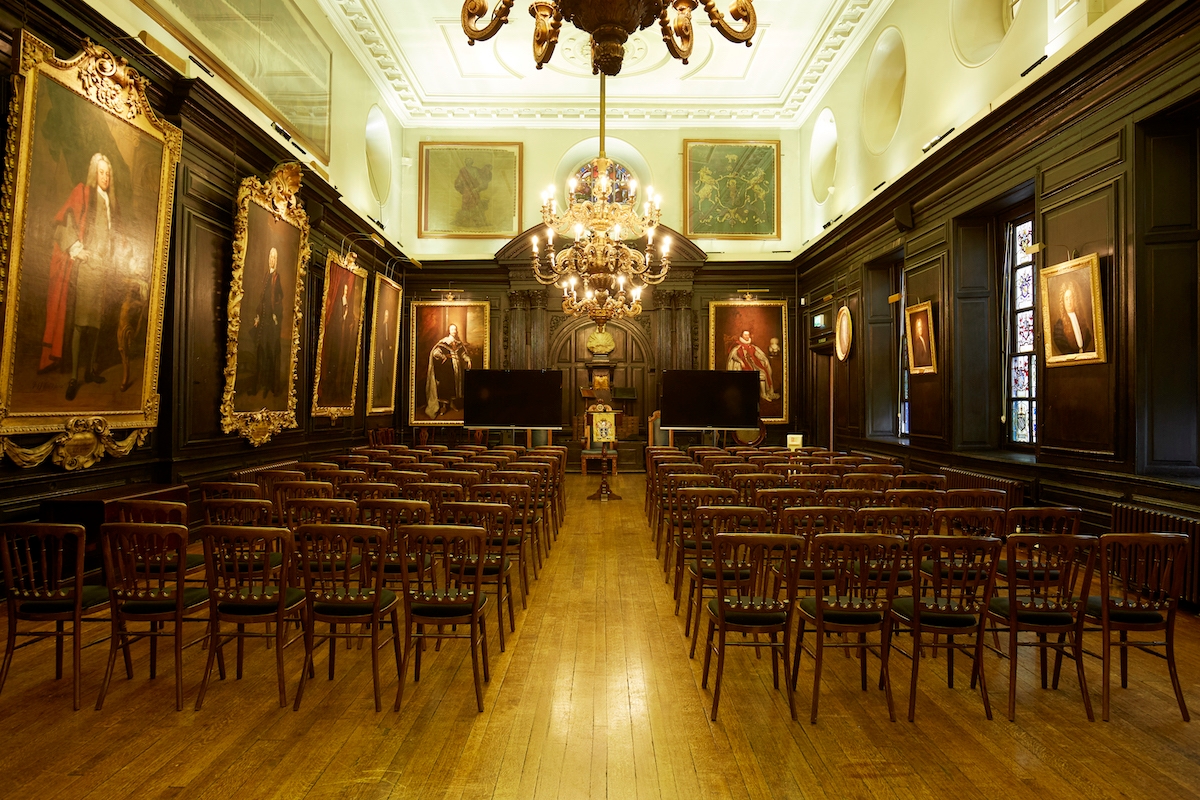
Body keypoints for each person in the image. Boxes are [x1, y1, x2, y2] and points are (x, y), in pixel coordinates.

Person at [40, 152, 121, 401]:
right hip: (86, 268)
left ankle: (90, 370)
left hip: (104, 269)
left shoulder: (111, 203)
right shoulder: (83, 192)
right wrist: (77, 248)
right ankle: (74, 376)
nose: (105, 177)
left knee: (96, 325)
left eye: (108, 173)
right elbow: (65, 219)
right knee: (80, 324)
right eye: (101, 172)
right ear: (93, 173)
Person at [250, 246, 285, 398]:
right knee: (260, 351)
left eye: (274, 258)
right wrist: (258, 317)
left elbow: (279, 298)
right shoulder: (266, 276)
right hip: (264, 320)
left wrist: (276, 315)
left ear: (276, 261)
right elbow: (262, 299)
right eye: (270, 257)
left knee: (270, 352)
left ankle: (271, 386)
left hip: (272, 322)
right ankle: (259, 384)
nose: (272, 260)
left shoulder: (277, 277)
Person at [424, 323, 472, 418]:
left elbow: (462, 354)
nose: (454, 331)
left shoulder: (458, 343)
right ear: (449, 331)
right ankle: (444, 406)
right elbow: (435, 353)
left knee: (455, 386)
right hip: (447, 369)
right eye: (452, 329)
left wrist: (468, 359)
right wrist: (443, 356)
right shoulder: (444, 342)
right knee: (446, 386)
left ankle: (453, 404)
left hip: (457, 369)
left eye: (455, 329)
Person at [322, 281, 357, 405]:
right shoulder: (338, 303)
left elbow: (351, 318)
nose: (346, 292)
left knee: (343, 363)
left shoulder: (348, 302)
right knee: (334, 363)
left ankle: (340, 390)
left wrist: (349, 318)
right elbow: (336, 318)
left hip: (344, 339)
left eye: (347, 290)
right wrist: (343, 317)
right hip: (337, 339)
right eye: (345, 289)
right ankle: (331, 390)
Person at [727, 329, 779, 402]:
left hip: (754, 364)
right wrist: (740, 361)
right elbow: (733, 356)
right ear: (742, 336)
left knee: (763, 373)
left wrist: (764, 360)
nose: (747, 336)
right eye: (745, 335)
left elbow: (757, 354)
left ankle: (763, 394)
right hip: (744, 365)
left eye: (748, 335)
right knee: (753, 374)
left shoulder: (752, 346)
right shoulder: (737, 346)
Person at [1051, 278, 1094, 355]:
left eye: (1071, 298)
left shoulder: (1081, 320)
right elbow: (1061, 345)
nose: (1069, 302)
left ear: (1075, 300)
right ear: (1063, 302)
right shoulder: (1059, 326)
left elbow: (1088, 339)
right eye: (1066, 299)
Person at [454, 158, 494, 229]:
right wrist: (459, 185)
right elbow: (459, 180)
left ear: (472, 162)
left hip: (474, 190)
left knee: (475, 204)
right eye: (467, 161)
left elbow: (479, 179)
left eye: (470, 161)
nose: (468, 162)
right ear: (465, 162)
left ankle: (476, 222)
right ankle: (465, 221)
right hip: (466, 191)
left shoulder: (475, 170)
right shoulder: (463, 171)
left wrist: (478, 188)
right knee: (466, 204)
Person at [372, 306, 394, 407]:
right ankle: (377, 394)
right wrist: (380, 351)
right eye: (385, 316)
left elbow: (388, 338)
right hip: (380, 352)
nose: (386, 317)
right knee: (379, 373)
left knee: (386, 373)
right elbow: (379, 340)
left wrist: (389, 346)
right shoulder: (380, 327)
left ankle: (384, 395)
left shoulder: (388, 326)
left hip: (386, 352)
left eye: (387, 316)